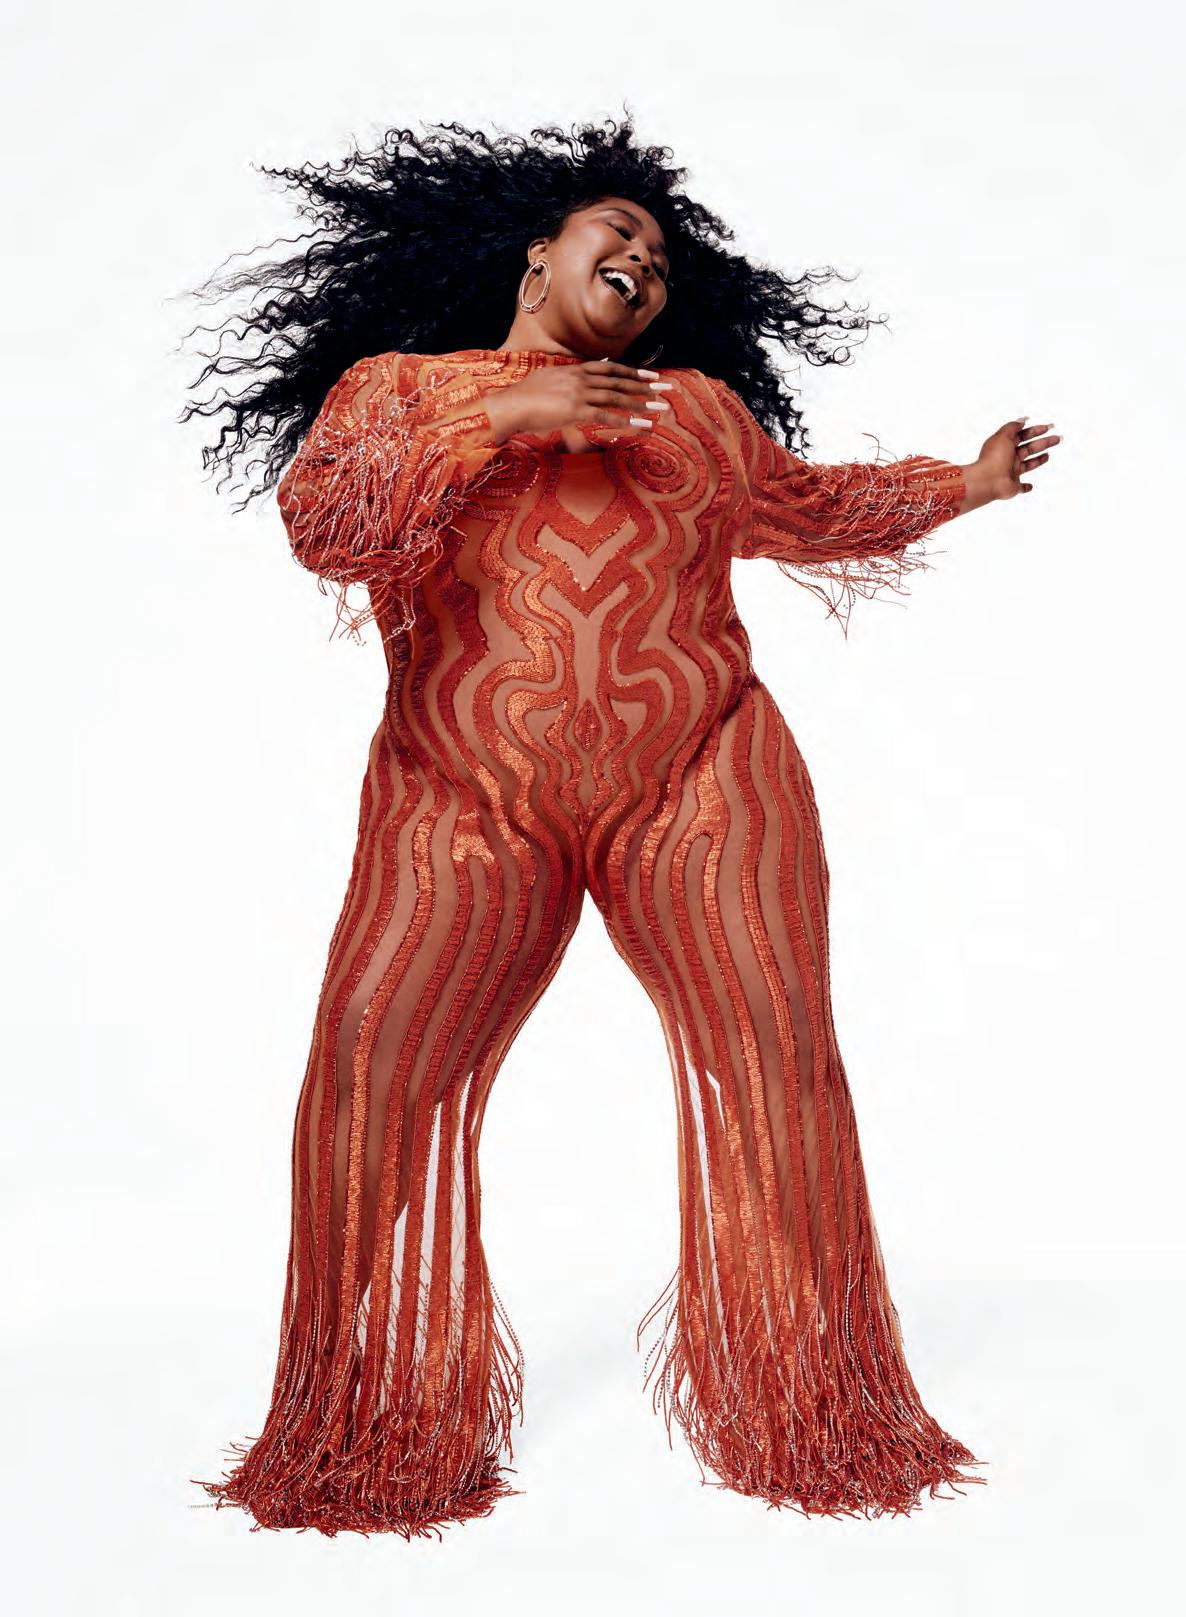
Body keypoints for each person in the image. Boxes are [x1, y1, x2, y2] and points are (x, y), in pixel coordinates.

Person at [181, 115, 1058, 1540]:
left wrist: (964, 483)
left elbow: (810, 506)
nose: (644, 263)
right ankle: (360, 1432)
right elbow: (323, 524)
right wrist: (501, 417)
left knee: (775, 1060)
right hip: (459, 791)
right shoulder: (398, 388)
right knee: (368, 1071)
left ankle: (812, 1417)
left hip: (705, 775)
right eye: (620, 235)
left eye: (659, 260)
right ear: (539, 257)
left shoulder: (697, 414)